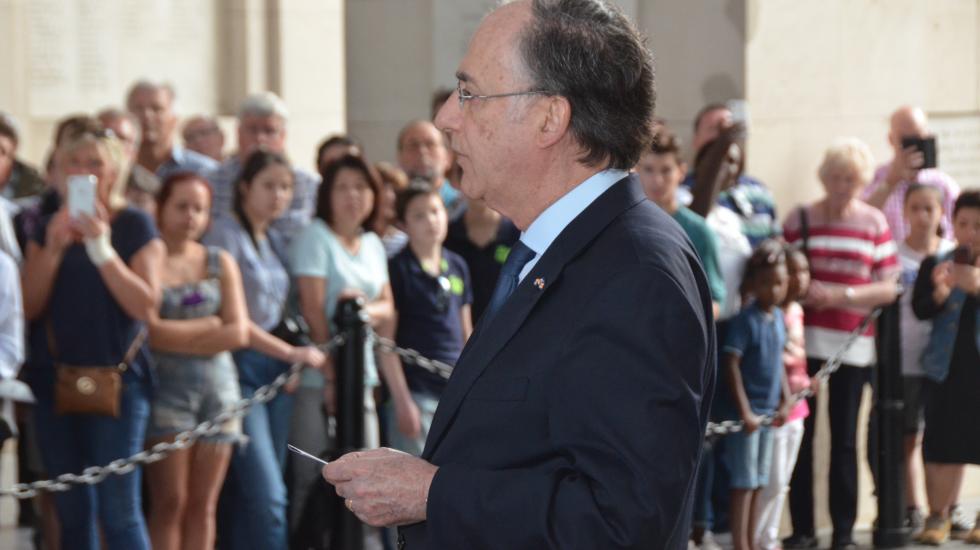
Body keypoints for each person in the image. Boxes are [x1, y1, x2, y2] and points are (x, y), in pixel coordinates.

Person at [322, 1, 715, 548]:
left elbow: (621, 520)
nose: (445, 119)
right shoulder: (558, 248)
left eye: (469, 94)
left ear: (550, 119)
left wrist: (432, 493)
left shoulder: (636, 273)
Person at [20, 126, 165, 550]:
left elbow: (145, 306)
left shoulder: (135, 224)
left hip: (120, 384)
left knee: (120, 510)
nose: (84, 172)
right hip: (53, 382)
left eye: (95, 164)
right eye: (73, 164)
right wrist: (53, 248)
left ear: (114, 171)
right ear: (58, 172)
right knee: (70, 513)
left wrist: (102, 249)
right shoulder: (45, 225)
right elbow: (28, 306)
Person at [203, 150, 326, 550]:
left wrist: (288, 359)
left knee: (260, 493)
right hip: (239, 372)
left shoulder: (272, 237)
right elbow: (234, 320)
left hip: (276, 374)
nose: (278, 195)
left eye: (286, 187)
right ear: (244, 188)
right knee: (267, 495)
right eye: (269, 186)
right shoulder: (224, 234)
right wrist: (290, 355)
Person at [782, 137, 900, 549]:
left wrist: (840, 296)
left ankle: (844, 533)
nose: (842, 185)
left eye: (851, 178)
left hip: (853, 345)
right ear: (823, 177)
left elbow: (889, 288)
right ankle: (802, 530)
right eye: (835, 176)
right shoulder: (800, 218)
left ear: (862, 182)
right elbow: (781, 276)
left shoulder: (873, 223)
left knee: (845, 440)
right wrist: (805, 290)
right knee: (804, 437)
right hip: (804, 343)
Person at [286, 154, 412, 540]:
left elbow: (387, 307)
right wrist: (331, 378)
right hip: (316, 378)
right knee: (311, 477)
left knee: (365, 476)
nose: (352, 196)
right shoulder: (315, 237)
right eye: (342, 187)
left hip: (364, 377)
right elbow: (313, 309)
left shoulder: (374, 242)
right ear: (327, 194)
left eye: (360, 187)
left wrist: (359, 306)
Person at [144, 173, 249, 550]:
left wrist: (176, 334)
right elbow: (148, 331)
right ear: (161, 209)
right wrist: (208, 327)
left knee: (204, 506)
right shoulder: (151, 257)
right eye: (181, 206)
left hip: (220, 395)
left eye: (199, 208)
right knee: (170, 501)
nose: (190, 216)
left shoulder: (220, 261)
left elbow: (238, 332)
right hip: (168, 394)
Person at [911, 190, 980, 545]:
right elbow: (920, 308)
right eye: (963, 223)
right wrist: (942, 289)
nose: (970, 233)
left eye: (978, 226)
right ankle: (937, 516)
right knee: (939, 442)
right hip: (944, 367)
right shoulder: (937, 261)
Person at [387, 182, 473, 455]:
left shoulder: (458, 265)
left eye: (436, 211)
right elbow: (386, 342)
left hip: (454, 391)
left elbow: (466, 332)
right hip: (417, 392)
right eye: (419, 215)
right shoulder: (398, 269)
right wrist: (402, 401)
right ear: (403, 224)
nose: (431, 221)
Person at [719, 240, 789, 550]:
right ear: (752, 285)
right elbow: (731, 364)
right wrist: (745, 410)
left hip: (769, 412)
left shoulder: (778, 320)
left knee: (759, 479)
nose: (773, 290)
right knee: (743, 482)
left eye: (779, 283)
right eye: (765, 284)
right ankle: (740, 543)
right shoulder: (745, 321)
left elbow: (779, 364)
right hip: (747, 415)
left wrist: (785, 398)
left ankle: (753, 538)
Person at [895, 183, 955, 533]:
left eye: (928, 209)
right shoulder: (893, 253)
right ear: (904, 212)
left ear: (940, 212)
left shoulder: (952, 254)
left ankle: (945, 506)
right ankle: (912, 504)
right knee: (909, 438)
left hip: (945, 361)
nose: (921, 216)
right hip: (905, 359)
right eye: (914, 208)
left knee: (945, 436)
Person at [635, 124, 725, 317]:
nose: (657, 180)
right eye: (649, 169)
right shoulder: (622, 226)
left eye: (666, 170)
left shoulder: (699, 231)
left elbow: (716, 299)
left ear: (681, 172)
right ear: (636, 170)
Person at [755, 245, 811, 550]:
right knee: (771, 480)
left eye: (804, 271)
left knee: (783, 482)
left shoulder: (797, 312)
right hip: (777, 407)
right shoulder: (771, 316)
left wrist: (806, 381)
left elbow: (796, 359)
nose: (800, 279)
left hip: (798, 407)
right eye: (793, 272)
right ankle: (755, 535)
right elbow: (773, 361)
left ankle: (769, 536)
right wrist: (785, 396)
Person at [207, 91, 319, 244]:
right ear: (238, 133)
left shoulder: (308, 184)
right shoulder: (211, 181)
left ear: (283, 136)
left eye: (269, 131)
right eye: (252, 130)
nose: (260, 138)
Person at [681, 103, 781, 248]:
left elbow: (776, 237)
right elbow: (691, 227)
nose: (724, 135)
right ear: (696, 140)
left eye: (729, 127)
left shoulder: (759, 191)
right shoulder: (682, 189)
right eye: (714, 128)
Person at [862, 106, 960, 243]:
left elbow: (960, 230)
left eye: (918, 139)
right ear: (891, 139)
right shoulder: (874, 178)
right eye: (906, 141)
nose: (913, 148)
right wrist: (891, 182)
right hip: (890, 261)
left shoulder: (943, 184)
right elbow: (860, 221)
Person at [125, 80, 217, 181]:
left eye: (157, 109)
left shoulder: (205, 172)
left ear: (174, 119)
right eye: (138, 109)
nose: (147, 116)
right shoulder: (115, 170)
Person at [97, 107, 163, 216]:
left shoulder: (150, 191)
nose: (111, 144)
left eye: (121, 139)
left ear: (134, 151)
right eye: (103, 136)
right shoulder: (68, 180)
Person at [396, 120, 462, 216]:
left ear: (448, 158)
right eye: (413, 145)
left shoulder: (465, 208)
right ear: (399, 157)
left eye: (430, 144)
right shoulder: (390, 209)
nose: (422, 151)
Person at [374, 161, 410, 257]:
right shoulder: (355, 237)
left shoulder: (405, 243)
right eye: (384, 188)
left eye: (396, 191)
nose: (391, 196)